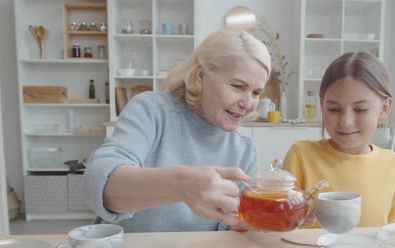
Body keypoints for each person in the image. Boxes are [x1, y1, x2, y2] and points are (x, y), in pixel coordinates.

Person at [83, 29, 271, 232]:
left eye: (256, 93)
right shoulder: (152, 111)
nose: (248, 104)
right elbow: (99, 185)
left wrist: (267, 220)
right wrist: (181, 185)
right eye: (237, 86)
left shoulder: (244, 147)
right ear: (201, 75)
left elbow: (234, 225)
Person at [283, 52, 395, 227]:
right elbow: (278, 226)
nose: (345, 122)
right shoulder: (301, 155)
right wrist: (294, 220)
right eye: (333, 109)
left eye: (360, 109)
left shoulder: (393, 164)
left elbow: (393, 230)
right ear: (322, 103)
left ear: (385, 108)